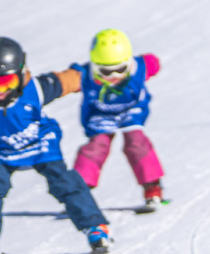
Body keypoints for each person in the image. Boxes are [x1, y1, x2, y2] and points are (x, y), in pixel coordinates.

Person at [0, 37, 112, 254]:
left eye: (6, 83)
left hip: (41, 145)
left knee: (64, 181)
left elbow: (67, 80)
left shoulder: (37, 89)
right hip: (1, 153)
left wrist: (86, 75)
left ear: (21, 75)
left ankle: (95, 229)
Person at [69, 29, 166, 208]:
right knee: (96, 146)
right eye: (106, 71)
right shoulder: (85, 75)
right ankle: (79, 192)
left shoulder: (139, 68)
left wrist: (154, 63)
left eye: (120, 70)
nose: (114, 77)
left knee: (136, 142)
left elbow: (153, 63)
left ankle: (153, 187)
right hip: (101, 114)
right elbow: (68, 80)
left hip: (131, 110)